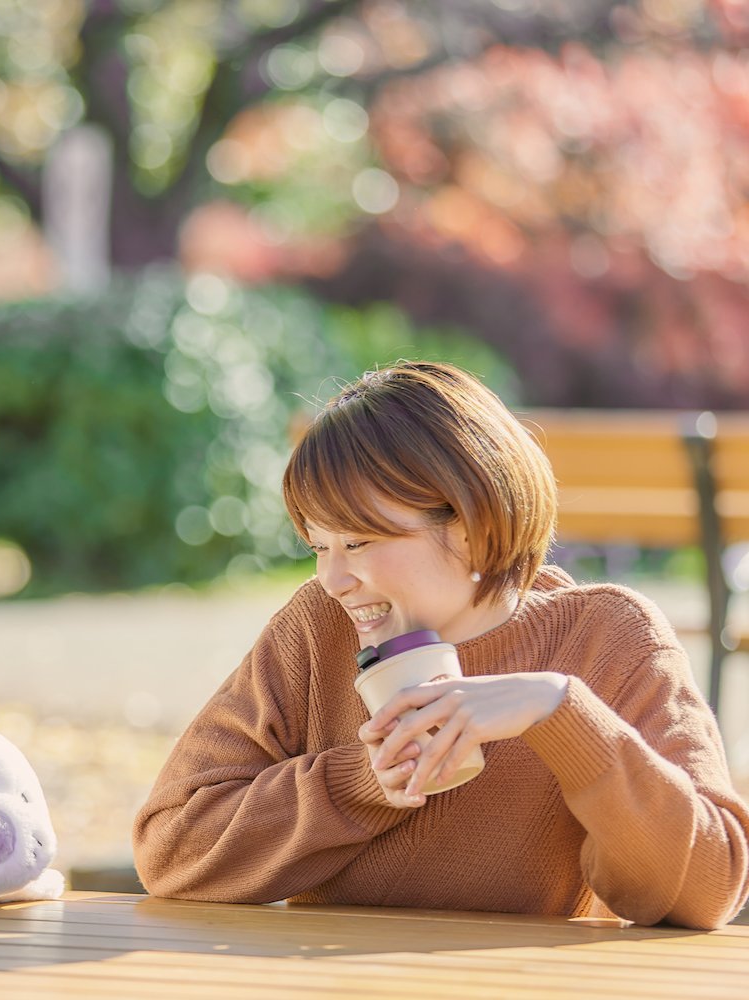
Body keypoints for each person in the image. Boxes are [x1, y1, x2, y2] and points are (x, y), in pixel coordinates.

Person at [132, 360, 749, 929]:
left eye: (362, 542)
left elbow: (710, 890)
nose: (332, 579)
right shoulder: (319, 630)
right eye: (320, 546)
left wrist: (563, 714)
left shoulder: (608, 638)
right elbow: (169, 848)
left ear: (475, 525)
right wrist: (364, 781)